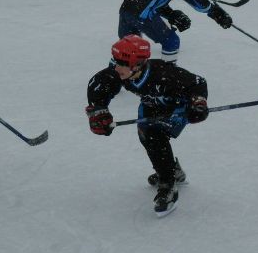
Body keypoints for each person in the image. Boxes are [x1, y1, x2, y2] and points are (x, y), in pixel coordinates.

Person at [85, 35, 210, 216]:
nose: (116, 66)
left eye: (121, 62)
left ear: (138, 64)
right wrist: (98, 111)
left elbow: (197, 83)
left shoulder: (164, 75)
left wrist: (198, 104)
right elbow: (99, 83)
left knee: (154, 135)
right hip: (151, 104)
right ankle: (171, 170)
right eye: (115, 60)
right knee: (146, 135)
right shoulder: (121, 71)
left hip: (178, 107)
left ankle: (168, 183)